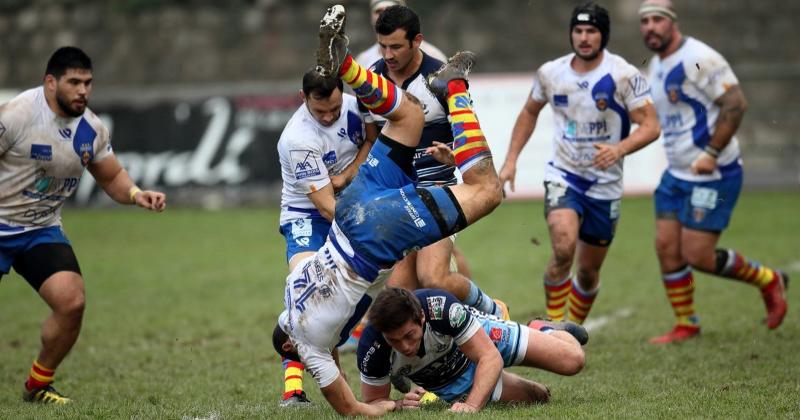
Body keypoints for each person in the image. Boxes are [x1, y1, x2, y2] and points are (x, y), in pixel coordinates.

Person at [272, 5, 502, 416]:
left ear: (292, 345)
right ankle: (345, 63)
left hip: (373, 236)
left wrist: (384, 406)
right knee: (410, 113)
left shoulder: (312, 348)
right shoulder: (292, 291)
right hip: (356, 205)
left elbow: (354, 410)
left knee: (487, 191)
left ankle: (455, 89)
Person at [0, 46, 166, 404]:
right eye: (74, 82)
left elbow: (112, 177)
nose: (83, 91)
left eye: (88, 83)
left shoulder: (91, 128)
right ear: (50, 82)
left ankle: (37, 385)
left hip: (40, 230)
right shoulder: (16, 115)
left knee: (71, 302)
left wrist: (137, 194)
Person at [498, 2, 660, 324]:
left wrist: (619, 149)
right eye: (578, 30)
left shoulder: (623, 75)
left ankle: (574, 328)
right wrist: (511, 160)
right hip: (564, 175)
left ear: (604, 35)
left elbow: (651, 126)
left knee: (587, 271)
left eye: (591, 31)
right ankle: (555, 328)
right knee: (563, 247)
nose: (584, 37)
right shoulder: (551, 73)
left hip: (605, 184)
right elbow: (529, 111)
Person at [638, 0, 788, 344]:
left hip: (714, 173)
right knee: (666, 246)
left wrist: (710, 153)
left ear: (673, 22)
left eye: (657, 19)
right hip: (677, 174)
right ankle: (686, 323)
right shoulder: (657, 64)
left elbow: (736, 104)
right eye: (644, 21)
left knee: (698, 256)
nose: (650, 27)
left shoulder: (699, 57)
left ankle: (768, 280)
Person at [363, 4, 508, 320]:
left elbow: (471, 143)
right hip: (396, 196)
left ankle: (493, 310)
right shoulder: (372, 80)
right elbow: (371, 141)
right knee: (399, 294)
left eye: (396, 47)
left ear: (417, 41)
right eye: (383, 46)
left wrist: (452, 156)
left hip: (438, 190)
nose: (388, 54)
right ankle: (437, 341)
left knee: (433, 277)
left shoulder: (440, 79)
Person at [274, 68, 376, 406]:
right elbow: (326, 206)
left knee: (365, 298)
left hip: (350, 204)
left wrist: (346, 175)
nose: (329, 117)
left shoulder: (356, 106)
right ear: (303, 98)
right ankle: (295, 389)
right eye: (320, 111)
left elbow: (372, 142)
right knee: (309, 294)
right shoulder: (298, 139)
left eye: (334, 108)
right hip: (308, 217)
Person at [356, 287, 587, 413]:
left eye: (409, 335)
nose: (405, 346)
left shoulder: (441, 308)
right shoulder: (372, 347)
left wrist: (472, 406)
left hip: (482, 339)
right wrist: (398, 404)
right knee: (540, 397)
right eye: (394, 341)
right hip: (451, 378)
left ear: (422, 318)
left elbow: (489, 356)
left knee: (573, 360)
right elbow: (374, 401)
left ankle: (542, 329)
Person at [355, 0, 447, 68]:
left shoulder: (434, 56)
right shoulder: (363, 61)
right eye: (378, 11)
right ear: (371, 17)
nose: (384, 16)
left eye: (390, 10)